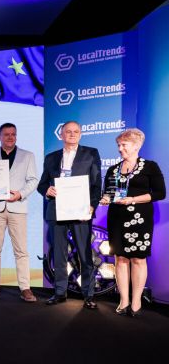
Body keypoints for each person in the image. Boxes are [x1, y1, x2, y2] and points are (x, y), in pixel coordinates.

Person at [99, 128, 165, 317]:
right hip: (117, 218)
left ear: (136, 146)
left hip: (139, 220)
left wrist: (133, 199)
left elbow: (160, 193)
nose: (120, 148)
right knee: (120, 259)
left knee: (138, 259)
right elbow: (108, 192)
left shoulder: (150, 167)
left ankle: (136, 300)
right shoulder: (113, 169)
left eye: (124, 145)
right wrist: (105, 198)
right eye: (119, 145)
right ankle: (124, 300)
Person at [37, 121, 101, 309]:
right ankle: (59, 292)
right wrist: (47, 190)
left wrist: (92, 206)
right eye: (68, 131)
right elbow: (42, 184)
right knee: (59, 254)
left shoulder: (91, 153)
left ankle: (88, 294)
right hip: (57, 210)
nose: (72, 134)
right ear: (61, 135)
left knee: (85, 254)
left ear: (80, 134)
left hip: (81, 211)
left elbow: (96, 184)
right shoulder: (51, 158)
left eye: (76, 131)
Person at [0, 123, 39, 302]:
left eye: (13, 134)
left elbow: (33, 180)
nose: (10, 137)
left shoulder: (28, 155)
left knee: (21, 251)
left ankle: (25, 288)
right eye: (6, 134)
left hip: (17, 207)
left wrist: (20, 194)